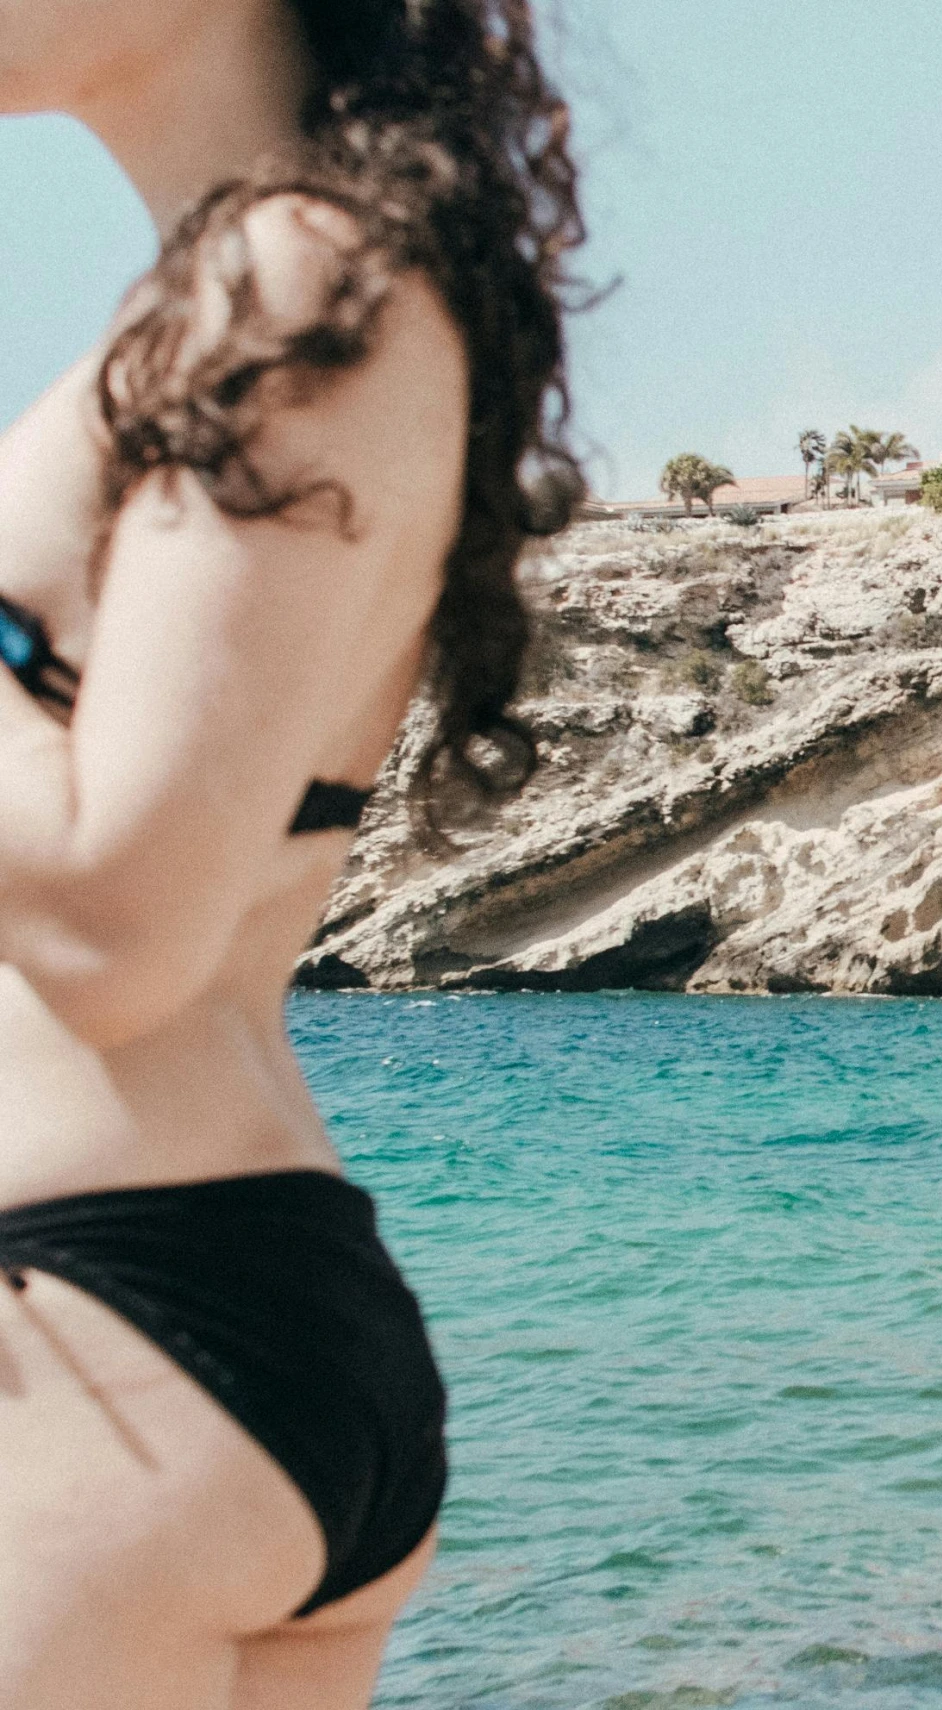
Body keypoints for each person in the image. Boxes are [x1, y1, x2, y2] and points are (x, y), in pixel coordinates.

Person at [0, 1, 583, 1702]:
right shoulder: (264, 288)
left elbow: (118, 929)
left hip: (101, 1330)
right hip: (210, 1314)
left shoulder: (296, 276)